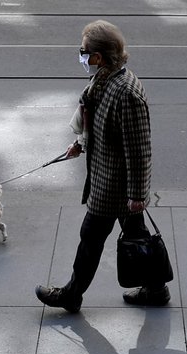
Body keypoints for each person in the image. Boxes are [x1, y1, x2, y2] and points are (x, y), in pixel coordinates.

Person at [35, 20, 170, 313]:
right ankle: (156, 289)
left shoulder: (126, 93)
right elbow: (95, 117)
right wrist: (81, 143)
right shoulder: (104, 79)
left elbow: (139, 151)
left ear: (99, 55)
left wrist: (137, 195)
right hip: (105, 176)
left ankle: (72, 294)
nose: (81, 56)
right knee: (136, 235)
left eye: (84, 51)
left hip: (115, 185)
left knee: (91, 237)